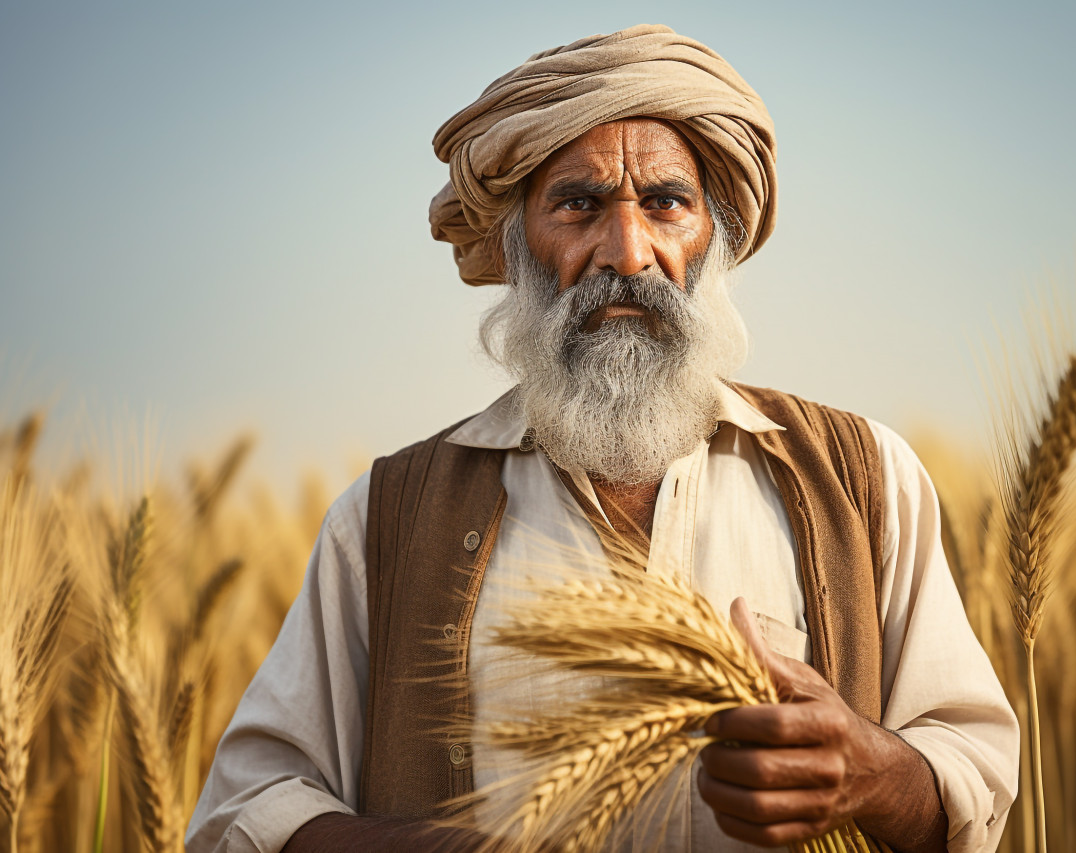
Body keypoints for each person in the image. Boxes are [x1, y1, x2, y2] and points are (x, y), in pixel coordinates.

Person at [187, 24, 1018, 853]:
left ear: (712, 239)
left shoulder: (864, 477)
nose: (628, 250)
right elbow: (244, 814)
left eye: (665, 203)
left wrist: (872, 772)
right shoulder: (387, 517)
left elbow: (979, 775)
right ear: (518, 247)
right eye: (579, 204)